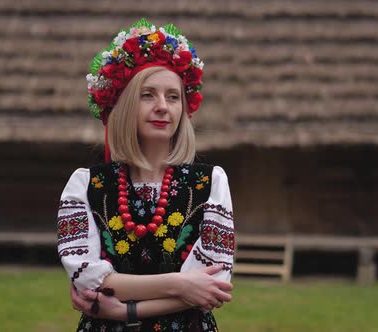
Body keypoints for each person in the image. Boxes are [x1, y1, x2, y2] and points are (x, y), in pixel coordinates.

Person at [56, 19, 235, 331]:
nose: (163, 107)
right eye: (148, 95)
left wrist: (123, 311)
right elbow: (85, 278)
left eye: (173, 96)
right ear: (126, 105)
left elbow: (213, 284)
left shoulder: (210, 184)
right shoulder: (86, 185)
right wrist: (180, 284)